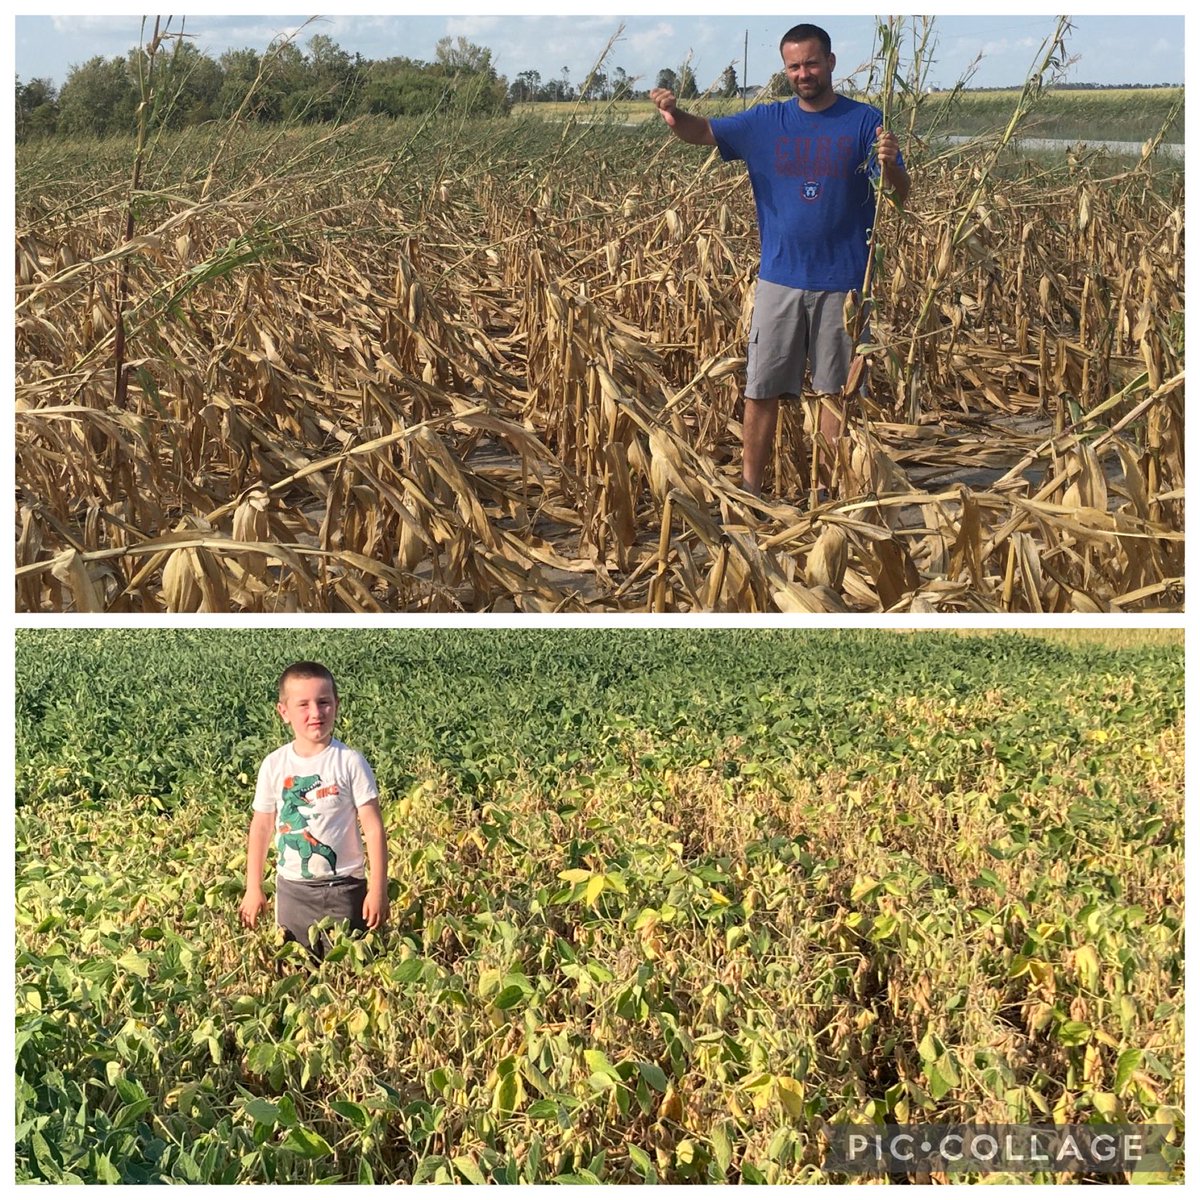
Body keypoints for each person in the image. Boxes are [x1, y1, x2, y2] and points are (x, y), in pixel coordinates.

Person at [650, 22, 911, 498]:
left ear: (830, 63)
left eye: (811, 63)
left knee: (837, 394)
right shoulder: (764, 123)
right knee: (761, 389)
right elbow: (703, 130)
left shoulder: (866, 122)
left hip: (845, 284)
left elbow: (900, 197)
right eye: (793, 65)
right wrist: (674, 114)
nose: (803, 73)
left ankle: (833, 494)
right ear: (785, 69)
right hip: (780, 281)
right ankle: (751, 489)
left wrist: (891, 164)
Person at [239, 661, 389, 960]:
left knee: (349, 970)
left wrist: (377, 890)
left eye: (324, 703)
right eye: (303, 705)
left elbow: (373, 828)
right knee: (297, 968)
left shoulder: (349, 762)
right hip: (293, 890)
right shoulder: (275, 764)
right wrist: (252, 887)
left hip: (345, 888)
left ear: (336, 705)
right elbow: (261, 827)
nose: (316, 713)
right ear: (284, 712)